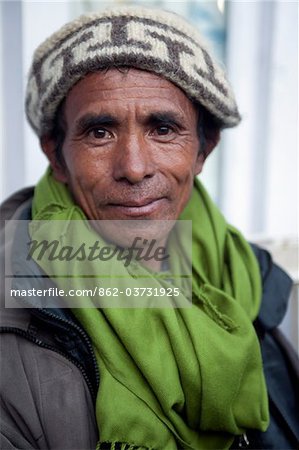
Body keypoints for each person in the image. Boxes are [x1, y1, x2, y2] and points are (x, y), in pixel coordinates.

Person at [0, 6, 298, 450]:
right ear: (56, 156)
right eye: (100, 132)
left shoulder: (257, 280)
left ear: (203, 149)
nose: (134, 169)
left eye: (163, 128)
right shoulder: (15, 316)